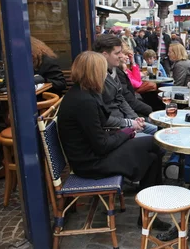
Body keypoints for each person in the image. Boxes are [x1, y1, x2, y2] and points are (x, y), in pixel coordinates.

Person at [57, 51, 170, 230]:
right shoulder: (84, 101)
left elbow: (100, 133)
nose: (106, 75)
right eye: (103, 71)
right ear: (95, 72)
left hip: (93, 154)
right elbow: (102, 146)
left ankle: (150, 212)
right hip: (91, 163)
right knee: (154, 145)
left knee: (154, 155)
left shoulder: (83, 93)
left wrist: (127, 131)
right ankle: (151, 210)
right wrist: (128, 131)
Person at [92, 35, 157, 135]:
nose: (122, 56)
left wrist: (134, 118)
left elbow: (121, 98)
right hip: (115, 130)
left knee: (160, 132)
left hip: (124, 122)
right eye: (118, 53)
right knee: (156, 140)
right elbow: (103, 118)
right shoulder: (95, 78)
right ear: (105, 55)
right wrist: (131, 122)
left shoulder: (113, 69)